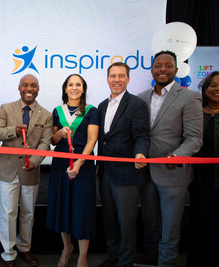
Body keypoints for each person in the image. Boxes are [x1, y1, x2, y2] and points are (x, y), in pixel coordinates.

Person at [137, 50, 203, 267]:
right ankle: (151, 256)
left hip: (173, 172)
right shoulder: (141, 98)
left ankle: (167, 262)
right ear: (152, 69)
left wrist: (176, 155)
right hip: (145, 171)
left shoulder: (190, 97)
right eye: (158, 65)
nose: (162, 69)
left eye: (168, 66)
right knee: (150, 222)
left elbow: (194, 138)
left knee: (170, 225)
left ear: (176, 69)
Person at [0, 74, 53, 267]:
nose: (29, 88)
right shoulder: (6, 108)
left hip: (30, 170)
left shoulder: (46, 114)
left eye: (33, 86)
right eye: (25, 85)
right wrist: (13, 131)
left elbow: (45, 143)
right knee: (8, 212)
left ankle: (24, 248)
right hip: (7, 170)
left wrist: (34, 161)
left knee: (28, 213)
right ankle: (8, 254)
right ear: (19, 88)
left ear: (38, 89)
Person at [96, 62, 150, 267]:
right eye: (112, 76)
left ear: (128, 79)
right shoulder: (102, 106)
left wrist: (140, 153)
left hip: (127, 174)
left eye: (121, 76)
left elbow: (142, 135)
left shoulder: (136, 104)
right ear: (107, 79)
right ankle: (113, 255)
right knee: (109, 219)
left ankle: (126, 261)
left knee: (126, 222)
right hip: (105, 172)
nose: (116, 80)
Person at [46, 74, 99, 267]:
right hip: (60, 164)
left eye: (78, 85)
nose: (74, 88)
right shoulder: (57, 111)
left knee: (82, 208)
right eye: (71, 85)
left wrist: (78, 163)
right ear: (65, 89)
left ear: (83, 89)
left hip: (82, 165)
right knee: (64, 206)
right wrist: (58, 134)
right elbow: (52, 141)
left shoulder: (92, 111)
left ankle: (82, 255)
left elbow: (92, 140)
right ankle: (66, 248)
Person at [187, 71, 219, 266]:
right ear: (205, 90)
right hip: (198, 180)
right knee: (199, 222)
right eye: (213, 85)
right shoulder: (196, 113)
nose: (217, 89)